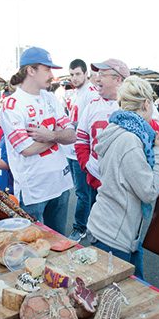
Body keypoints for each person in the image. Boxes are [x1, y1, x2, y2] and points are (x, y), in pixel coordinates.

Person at [87, 76, 159, 278]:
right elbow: (149, 191)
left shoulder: (117, 129)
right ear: (146, 104)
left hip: (109, 228)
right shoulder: (130, 140)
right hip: (115, 236)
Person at [0, 46, 75, 234]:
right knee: (33, 248)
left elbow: (72, 135)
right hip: (34, 190)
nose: (52, 75)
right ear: (31, 70)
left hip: (60, 182)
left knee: (60, 243)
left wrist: (51, 135)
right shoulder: (12, 104)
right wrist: (58, 137)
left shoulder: (50, 98)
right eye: (47, 69)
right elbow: (27, 148)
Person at [75, 59, 129, 192]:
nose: (97, 79)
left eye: (103, 75)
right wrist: (87, 165)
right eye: (98, 75)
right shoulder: (92, 106)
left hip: (127, 184)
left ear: (118, 80)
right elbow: (81, 140)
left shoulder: (136, 104)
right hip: (96, 181)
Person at [66, 59, 99, 242]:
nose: (74, 78)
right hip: (71, 150)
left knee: (82, 193)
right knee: (83, 192)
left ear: (85, 73)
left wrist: (71, 126)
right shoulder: (75, 93)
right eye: (71, 74)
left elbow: (91, 122)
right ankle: (90, 226)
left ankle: (81, 228)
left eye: (78, 74)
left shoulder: (91, 93)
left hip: (82, 150)